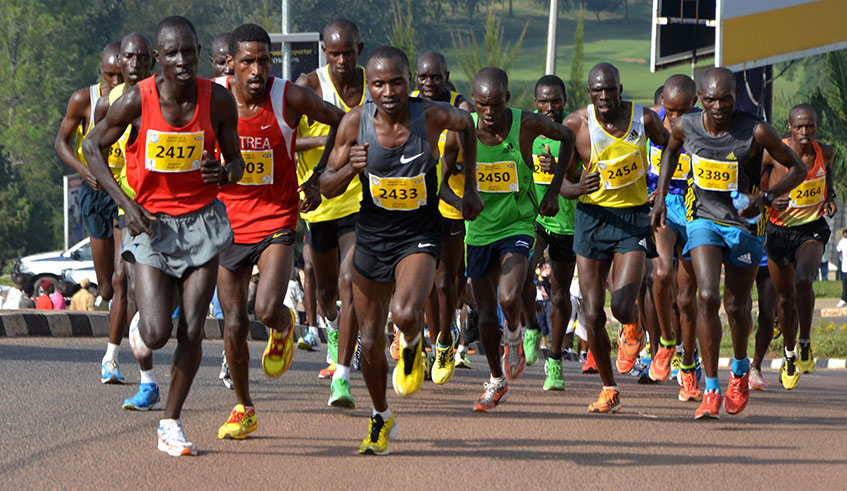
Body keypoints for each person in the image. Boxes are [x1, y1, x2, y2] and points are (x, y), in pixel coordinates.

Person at [84, 15, 245, 456]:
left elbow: (237, 165)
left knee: (193, 328)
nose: (182, 60)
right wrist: (125, 201)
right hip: (151, 224)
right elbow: (91, 145)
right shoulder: (139, 99)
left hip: (201, 222)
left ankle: (170, 422)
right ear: (158, 58)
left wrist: (224, 172)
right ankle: (142, 326)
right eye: (172, 53)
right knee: (156, 333)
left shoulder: (218, 101)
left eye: (189, 51)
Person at [320, 45, 481, 455]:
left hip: (419, 233)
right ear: (367, 87)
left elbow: (467, 125)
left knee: (406, 312)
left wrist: (472, 185)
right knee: (370, 343)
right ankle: (381, 416)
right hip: (373, 234)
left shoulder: (430, 115)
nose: (388, 91)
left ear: (410, 83)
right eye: (378, 83)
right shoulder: (355, 123)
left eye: (396, 82)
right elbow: (324, 186)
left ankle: (412, 344)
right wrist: (348, 169)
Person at [650, 67, 806, 419]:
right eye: (711, 99)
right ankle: (710, 387)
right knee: (706, 295)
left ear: (736, 95)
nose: (718, 106)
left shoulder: (757, 130)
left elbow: (797, 169)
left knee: (737, 308)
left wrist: (764, 198)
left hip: (745, 226)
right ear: (699, 100)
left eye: (725, 98)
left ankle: (738, 370)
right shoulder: (685, 126)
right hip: (704, 219)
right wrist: (660, 196)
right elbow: (670, 152)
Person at [213, 23, 345, 439]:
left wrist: (320, 177)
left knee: (266, 308)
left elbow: (342, 122)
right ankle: (244, 408)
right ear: (230, 64)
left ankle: (285, 325)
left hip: (277, 215)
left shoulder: (287, 96)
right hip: (226, 222)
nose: (257, 70)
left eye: (264, 60)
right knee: (233, 323)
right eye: (248, 61)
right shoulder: (212, 96)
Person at [457, 67, 574, 412]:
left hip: (518, 226)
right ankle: (495, 380)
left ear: (507, 98)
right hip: (478, 231)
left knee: (508, 296)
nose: (489, 112)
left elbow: (566, 137)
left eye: (495, 104)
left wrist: (553, 190)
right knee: (483, 314)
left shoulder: (525, 124)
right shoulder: (462, 130)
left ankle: (516, 332)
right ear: (474, 101)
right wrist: (461, 199)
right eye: (482, 105)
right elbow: (443, 179)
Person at [561, 63, 667, 413]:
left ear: (620, 89)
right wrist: (576, 188)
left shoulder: (645, 119)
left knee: (621, 306)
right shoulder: (576, 125)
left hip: (632, 219)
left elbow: (671, 147)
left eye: (610, 90)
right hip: (591, 220)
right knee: (592, 314)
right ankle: (609, 387)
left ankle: (632, 324)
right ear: (589, 93)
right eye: (597, 91)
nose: (605, 97)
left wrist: (661, 194)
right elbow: (559, 182)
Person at [294, 18, 368, 406]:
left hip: (361, 198)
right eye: (334, 52)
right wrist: (328, 138)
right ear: (324, 51)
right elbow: (286, 137)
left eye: (348, 52)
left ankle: (342, 376)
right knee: (325, 293)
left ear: (360, 48)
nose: (341, 59)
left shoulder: (373, 87)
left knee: (348, 278)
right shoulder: (309, 85)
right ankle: (335, 328)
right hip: (320, 200)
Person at [91, 31, 156, 387]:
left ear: (153, 60)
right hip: (126, 201)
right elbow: (93, 147)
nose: (134, 66)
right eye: (128, 58)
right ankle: (112, 356)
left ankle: (148, 331)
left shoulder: (168, 96)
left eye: (142, 58)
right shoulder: (109, 102)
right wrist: (109, 188)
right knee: (119, 280)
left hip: (167, 203)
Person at [411, 50, 474, 384]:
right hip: (416, 204)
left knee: (447, 280)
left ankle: (445, 340)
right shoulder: (407, 105)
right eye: (423, 77)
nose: (429, 83)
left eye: (435, 77)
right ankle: (427, 345)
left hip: (450, 203)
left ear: (446, 76)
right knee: (421, 281)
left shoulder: (460, 107)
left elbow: (470, 145)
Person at [763, 104, 837, 383]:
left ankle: (805, 343)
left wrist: (830, 198)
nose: (805, 132)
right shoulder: (772, 153)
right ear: (790, 127)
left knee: (804, 280)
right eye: (799, 127)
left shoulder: (825, 152)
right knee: (785, 298)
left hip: (812, 228)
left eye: (810, 126)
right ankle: (790, 354)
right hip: (779, 230)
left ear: (816, 126)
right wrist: (769, 197)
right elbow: (752, 187)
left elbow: (827, 173)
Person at [54, 42, 123, 314]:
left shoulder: (139, 98)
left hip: (124, 189)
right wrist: (84, 170)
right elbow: (61, 142)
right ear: (101, 72)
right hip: (95, 192)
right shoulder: (85, 100)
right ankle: (110, 303)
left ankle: (126, 330)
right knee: (106, 286)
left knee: (123, 276)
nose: (116, 80)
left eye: (121, 74)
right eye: (110, 74)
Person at [519, 74, 579, 391]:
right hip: (534, 219)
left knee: (559, 295)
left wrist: (559, 167)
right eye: (543, 100)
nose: (550, 107)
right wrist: (531, 163)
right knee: (522, 273)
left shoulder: (574, 134)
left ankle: (554, 360)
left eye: (556, 100)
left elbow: (583, 180)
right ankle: (530, 326)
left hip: (566, 225)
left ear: (565, 100)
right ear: (535, 103)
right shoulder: (528, 132)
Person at [645, 75, 699, 389]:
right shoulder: (648, 120)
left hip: (694, 209)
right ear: (663, 101)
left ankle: (689, 363)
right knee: (662, 273)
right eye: (671, 111)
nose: (676, 118)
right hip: (660, 205)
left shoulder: (705, 127)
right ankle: (666, 342)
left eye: (684, 111)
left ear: (696, 103)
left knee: (688, 297)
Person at [837, 230, 847, 307]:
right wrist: (841, 258)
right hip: (845, 266)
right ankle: (844, 299)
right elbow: (838, 250)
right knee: (845, 284)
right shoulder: (842, 242)